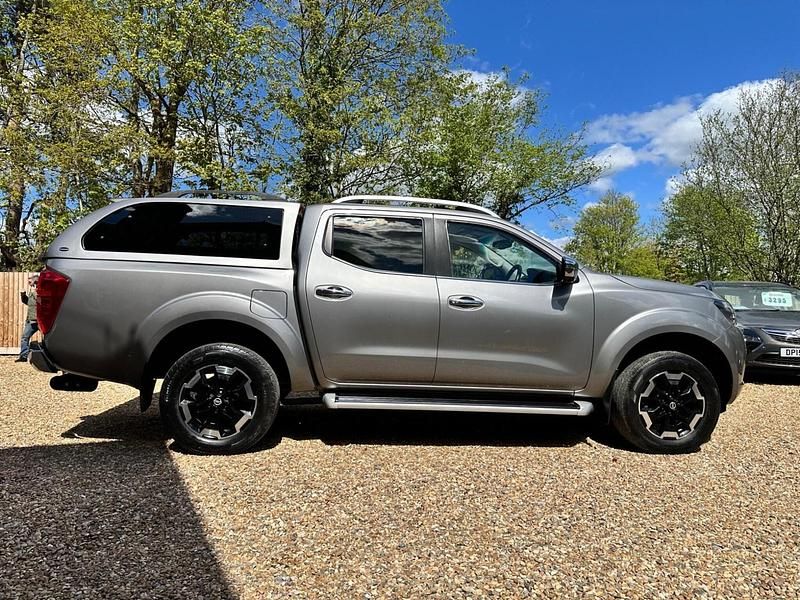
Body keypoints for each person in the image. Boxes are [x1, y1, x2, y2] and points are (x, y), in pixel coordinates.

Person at [17, 274, 39, 363]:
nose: (29, 283)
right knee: (25, 337)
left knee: (47, 339)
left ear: (35, 281)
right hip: (31, 319)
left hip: (40, 320)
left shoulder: (41, 290)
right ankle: (23, 356)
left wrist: (34, 292)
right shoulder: (32, 290)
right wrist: (23, 295)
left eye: (30, 281)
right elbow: (28, 302)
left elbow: (40, 301)